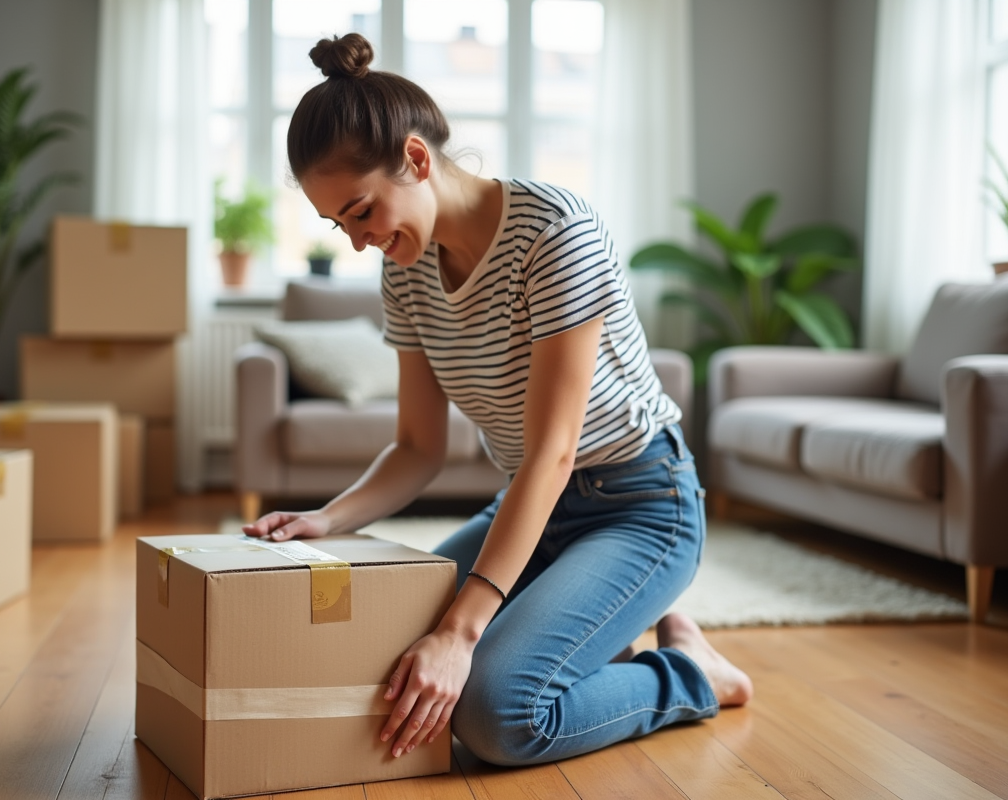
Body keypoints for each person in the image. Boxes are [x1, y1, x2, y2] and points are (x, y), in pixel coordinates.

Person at [242, 32, 752, 767]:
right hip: (531, 508)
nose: (357, 242)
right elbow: (417, 448)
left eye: (360, 212)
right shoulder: (406, 273)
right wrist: (327, 516)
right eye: (338, 226)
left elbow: (556, 450)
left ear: (416, 159)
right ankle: (633, 627)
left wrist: (460, 632)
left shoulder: (555, 233)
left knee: (494, 713)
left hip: (641, 506)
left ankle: (690, 675)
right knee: (385, 655)